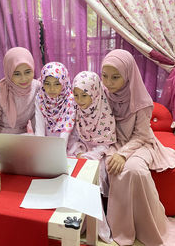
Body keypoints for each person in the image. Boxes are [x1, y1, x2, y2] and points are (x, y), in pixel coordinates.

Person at [101, 49, 175, 246]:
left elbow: (141, 135)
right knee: (108, 169)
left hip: (140, 143)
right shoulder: (102, 94)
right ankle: (117, 227)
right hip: (111, 142)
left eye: (115, 77)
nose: (108, 82)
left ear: (128, 76)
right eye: (104, 76)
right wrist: (112, 150)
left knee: (134, 171)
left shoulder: (142, 101)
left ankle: (149, 227)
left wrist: (122, 154)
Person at [69, 71, 116, 244]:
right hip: (79, 151)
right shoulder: (75, 109)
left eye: (84, 95)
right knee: (68, 171)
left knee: (90, 177)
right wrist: (78, 151)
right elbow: (73, 136)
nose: (79, 100)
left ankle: (96, 226)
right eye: (76, 95)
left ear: (95, 93)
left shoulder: (104, 111)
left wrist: (89, 155)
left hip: (99, 154)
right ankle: (70, 220)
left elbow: (106, 143)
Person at [35, 62, 75, 144]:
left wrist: (59, 150)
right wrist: (39, 147)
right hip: (46, 141)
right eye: (47, 84)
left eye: (57, 84)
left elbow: (66, 128)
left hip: (66, 141)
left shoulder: (70, 99)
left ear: (64, 82)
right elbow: (39, 126)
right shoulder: (40, 98)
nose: (52, 89)